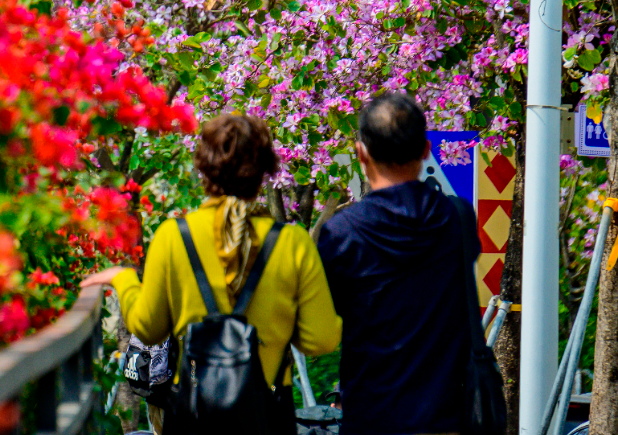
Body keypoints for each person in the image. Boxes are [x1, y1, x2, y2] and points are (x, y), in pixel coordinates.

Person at [82, 114, 342, 432]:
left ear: (203, 168)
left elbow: (148, 329)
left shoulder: (172, 237)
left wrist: (123, 279)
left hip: (194, 414)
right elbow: (322, 340)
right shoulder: (292, 243)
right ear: (264, 170)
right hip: (267, 415)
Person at [316, 93, 480, 435]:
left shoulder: (342, 232)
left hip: (370, 417)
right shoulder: (456, 219)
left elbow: (325, 326)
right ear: (425, 150)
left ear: (361, 154)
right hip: (446, 418)